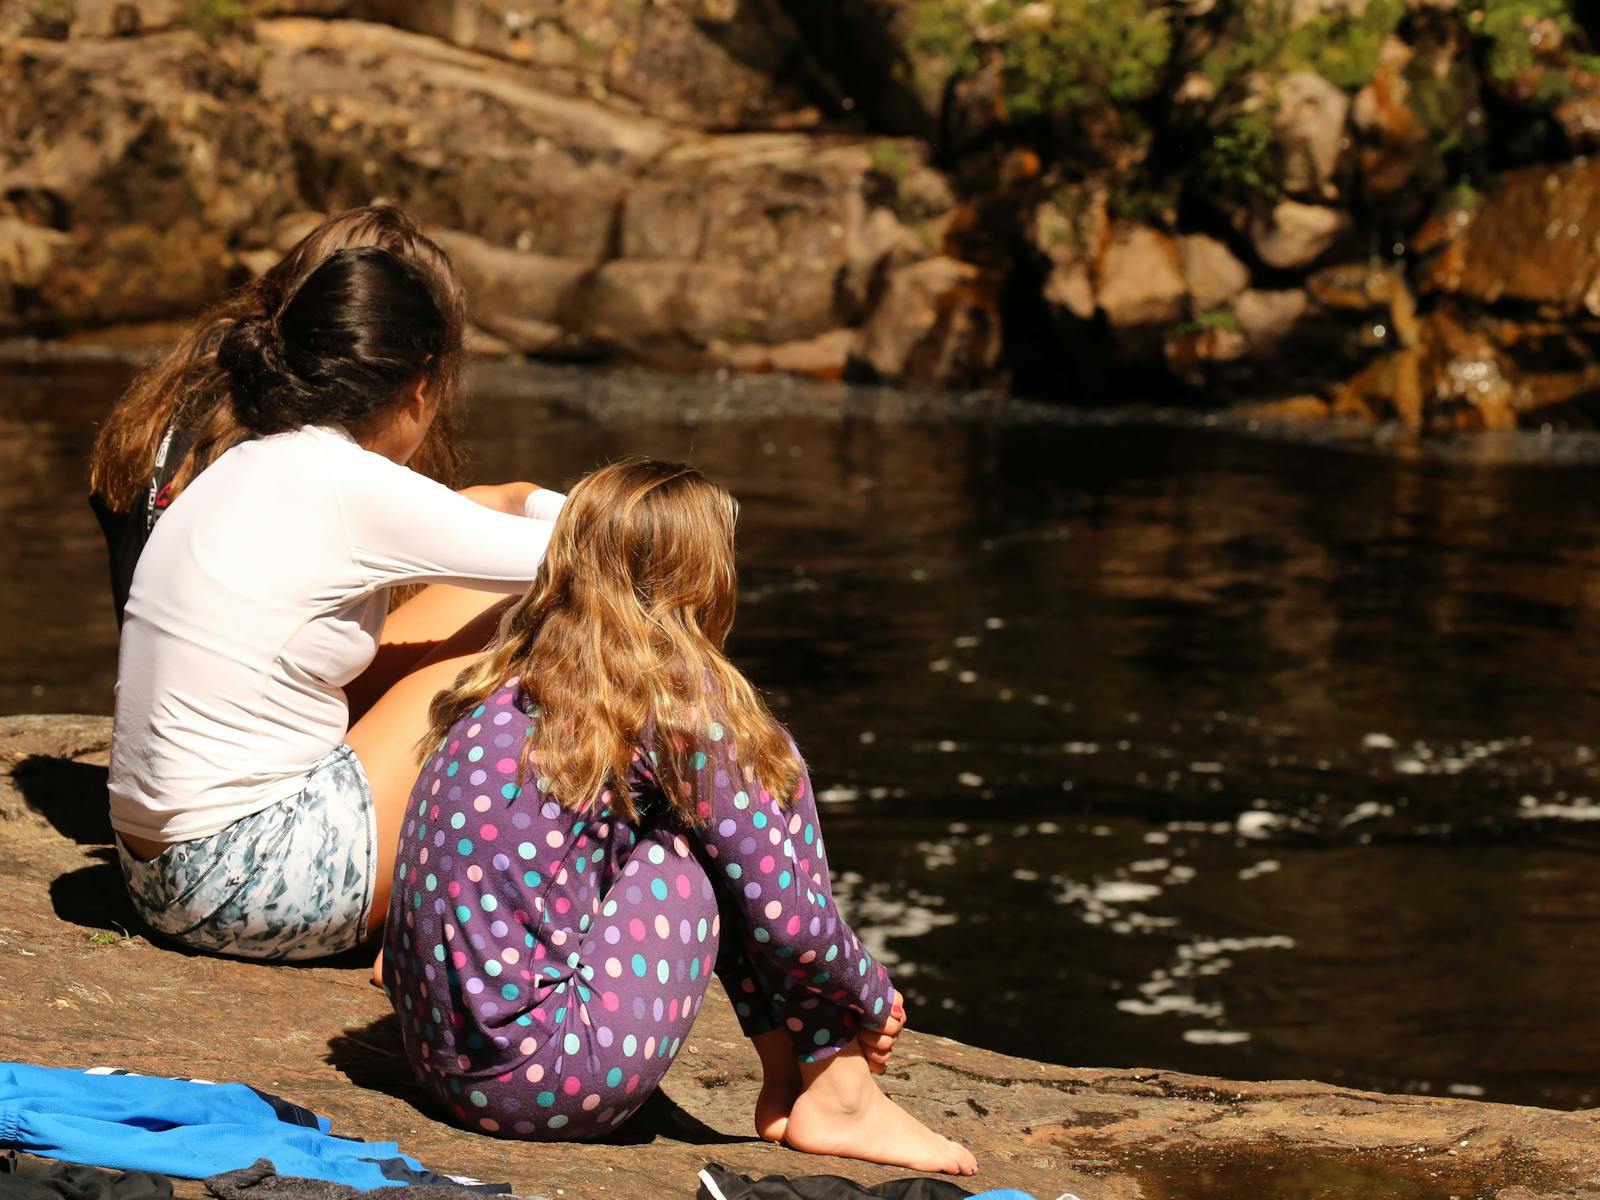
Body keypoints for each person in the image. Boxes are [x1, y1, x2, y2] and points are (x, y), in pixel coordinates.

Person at [381, 459, 979, 1176]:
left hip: (441, 1062)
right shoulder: (675, 699)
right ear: (702, 579)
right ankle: (838, 1087)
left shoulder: (515, 675)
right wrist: (869, 992)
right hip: (541, 1083)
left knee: (731, 796)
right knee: (756, 778)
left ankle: (799, 1076)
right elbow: (788, 918)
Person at [108, 245, 561, 963]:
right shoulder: (347, 485)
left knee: (479, 597)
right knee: (535, 628)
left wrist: (524, 496)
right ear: (419, 388)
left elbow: (481, 509)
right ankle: (486, 917)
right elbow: (589, 556)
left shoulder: (259, 458)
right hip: (248, 878)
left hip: (156, 871)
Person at [88, 205, 466, 629]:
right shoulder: (307, 450)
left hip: (151, 680)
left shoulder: (164, 400)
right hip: (266, 686)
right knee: (476, 601)